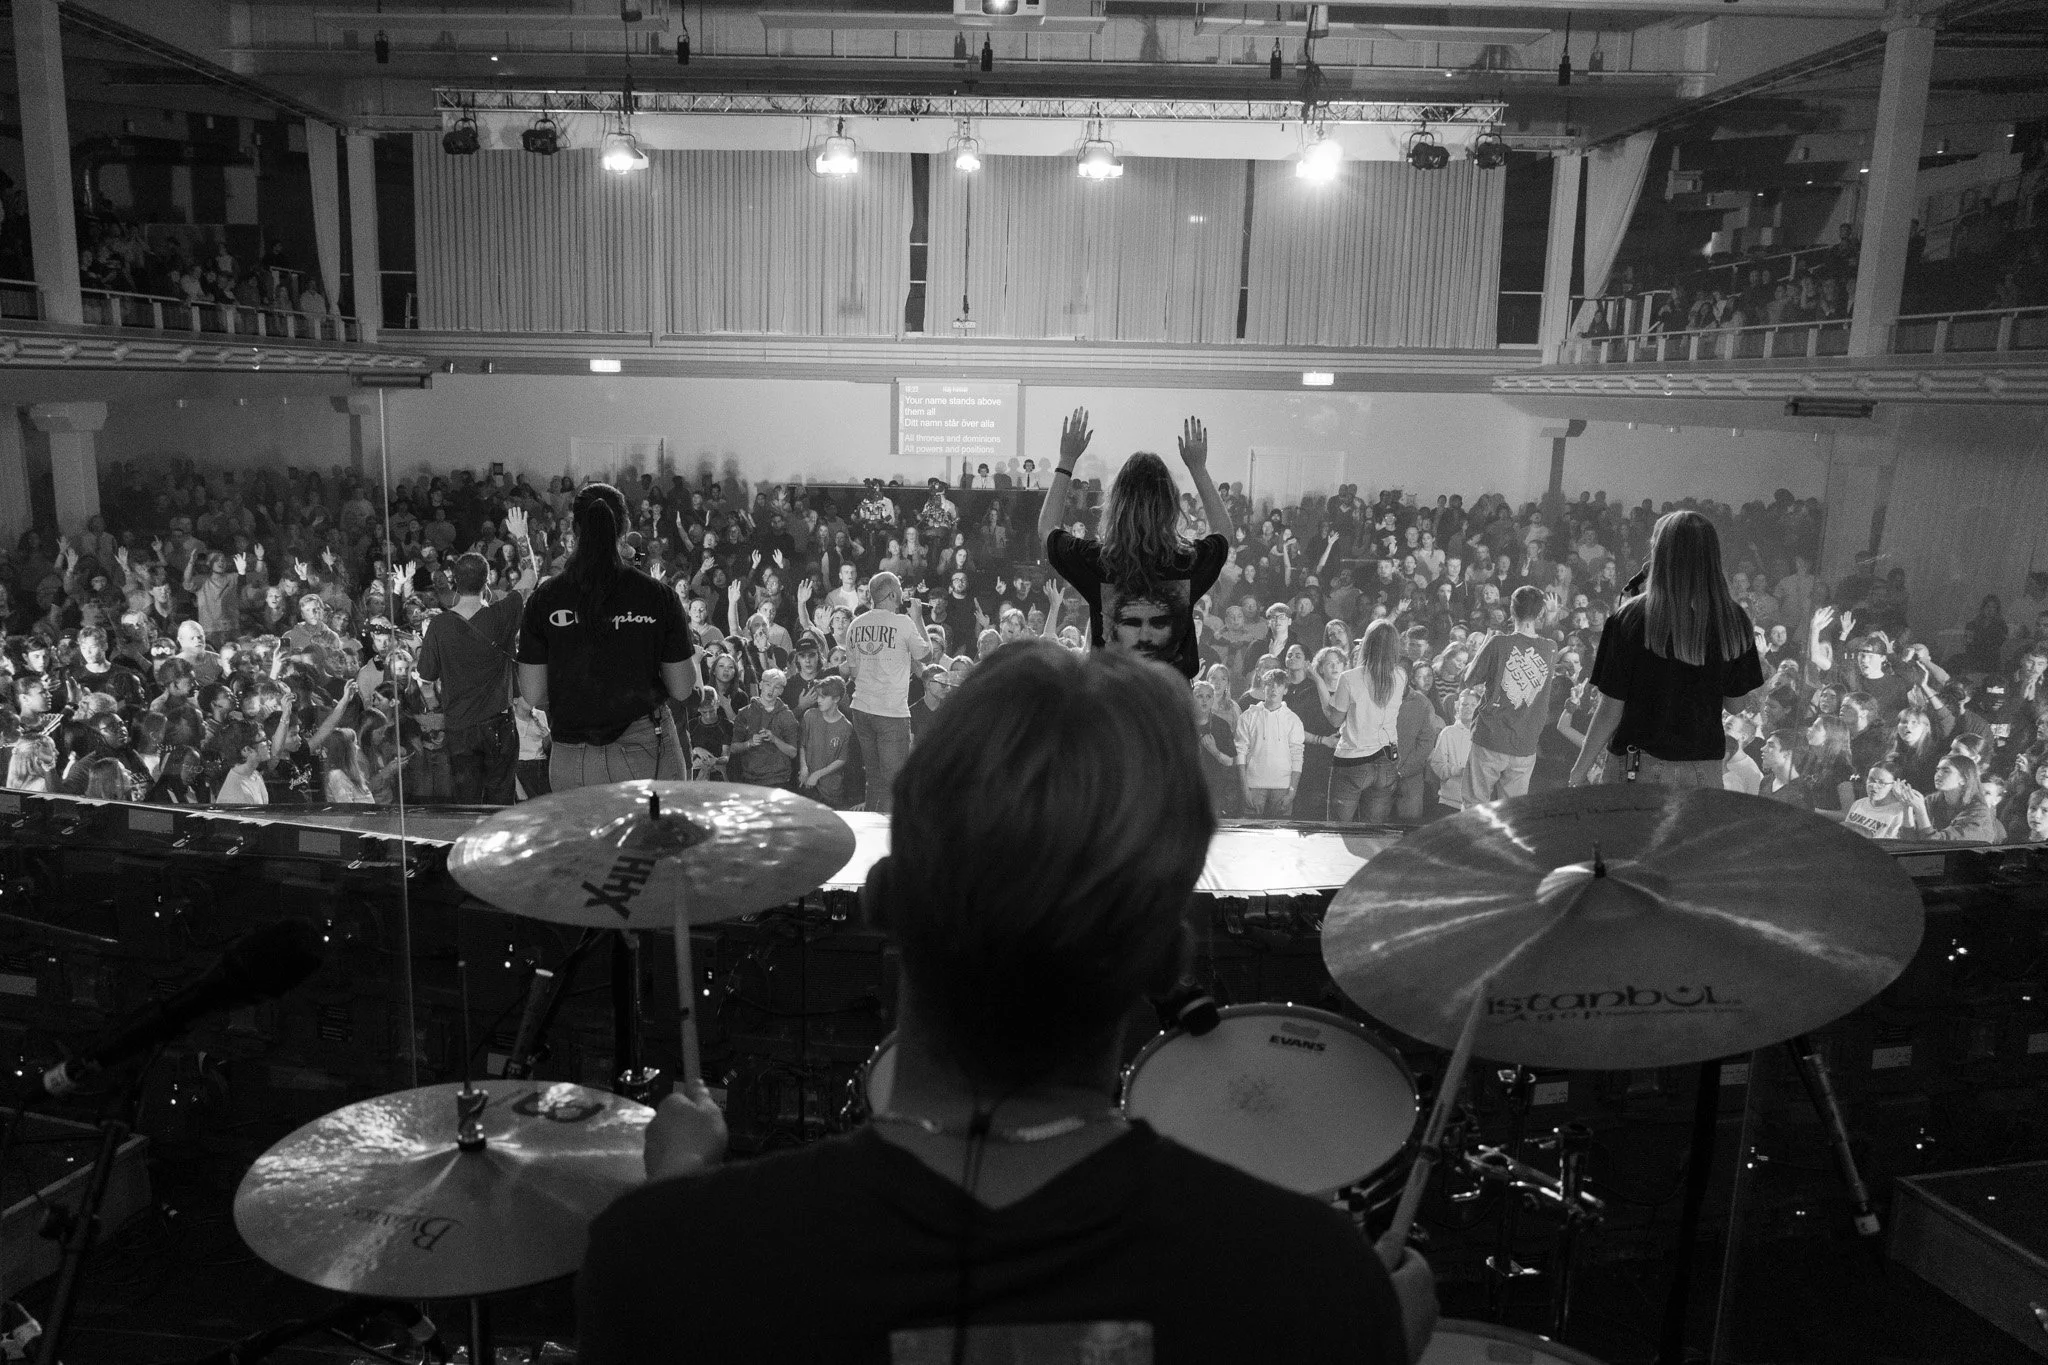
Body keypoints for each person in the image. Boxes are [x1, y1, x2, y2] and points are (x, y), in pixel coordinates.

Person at [577, 642, 1433, 1364]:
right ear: (1165, 954)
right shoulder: (1315, 1292)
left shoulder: (659, 1260)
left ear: (887, 899)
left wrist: (680, 1188)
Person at [517, 484, 697, 791]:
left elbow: (532, 694)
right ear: (624, 529)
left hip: (570, 758)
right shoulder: (657, 596)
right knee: (651, 838)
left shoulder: (544, 599)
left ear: (574, 530)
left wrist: (575, 701)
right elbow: (682, 688)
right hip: (643, 749)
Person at [1568, 512, 1764, 789]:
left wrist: (1578, 772)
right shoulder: (1733, 619)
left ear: (1660, 553)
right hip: (1703, 768)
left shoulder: (1630, 618)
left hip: (1636, 763)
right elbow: (1735, 705)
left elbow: (1610, 709)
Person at [1039, 410, 1233, 679]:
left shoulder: (1097, 562)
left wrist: (1066, 460)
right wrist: (1198, 468)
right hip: (1171, 709)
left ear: (1116, 505)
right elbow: (1224, 532)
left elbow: (1047, 529)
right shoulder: (1187, 562)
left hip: (1111, 707)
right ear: (1170, 506)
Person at [418, 508, 534, 804]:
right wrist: (521, 537)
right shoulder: (501, 614)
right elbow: (530, 577)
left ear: (455, 582)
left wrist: (436, 710)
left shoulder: (439, 625)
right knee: (500, 802)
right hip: (498, 728)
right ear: (486, 583)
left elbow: (426, 681)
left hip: (459, 730)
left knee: (467, 804)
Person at [842, 571, 932, 813]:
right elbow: (928, 655)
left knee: (873, 778)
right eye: (900, 588)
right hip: (890, 712)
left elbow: (853, 671)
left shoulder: (855, 624)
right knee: (895, 782)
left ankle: (872, 828)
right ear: (893, 594)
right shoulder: (903, 623)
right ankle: (890, 837)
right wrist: (918, 618)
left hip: (861, 708)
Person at [1462, 585, 1558, 803]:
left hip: (1489, 738)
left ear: (1512, 612)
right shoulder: (1551, 648)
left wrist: (1485, 642)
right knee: (1512, 813)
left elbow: (1469, 679)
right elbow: (1541, 639)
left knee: (1475, 807)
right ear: (1541, 612)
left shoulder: (1499, 643)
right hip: (1525, 744)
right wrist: (1550, 617)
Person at [1315, 619, 1407, 823]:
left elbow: (1334, 719)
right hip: (1386, 759)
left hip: (1353, 759)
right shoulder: (1401, 676)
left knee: (1338, 831)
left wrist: (1319, 683)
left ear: (1367, 644)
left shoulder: (1350, 678)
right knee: (1372, 834)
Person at [1235, 667, 1304, 816]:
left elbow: (1297, 755)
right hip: (1254, 787)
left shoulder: (1293, 720)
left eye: (1279, 685)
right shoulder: (1248, 716)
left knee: (1281, 836)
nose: (1273, 689)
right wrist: (1244, 788)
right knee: (1251, 835)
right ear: (1263, 687)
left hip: (1283, 788)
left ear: (1285, 690)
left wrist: (1292, 791)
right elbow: (1240, 753)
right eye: (1270, 684)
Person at [797, 675, 854, 808]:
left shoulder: (846, 726)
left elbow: (842, 759)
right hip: (807, 785)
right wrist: (804, 768)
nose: (819, 700)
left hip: (831, 790)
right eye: (818, 696)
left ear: (836, 699)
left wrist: (817, 775)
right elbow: (802, 745)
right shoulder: (810, 715)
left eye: (823, 697)